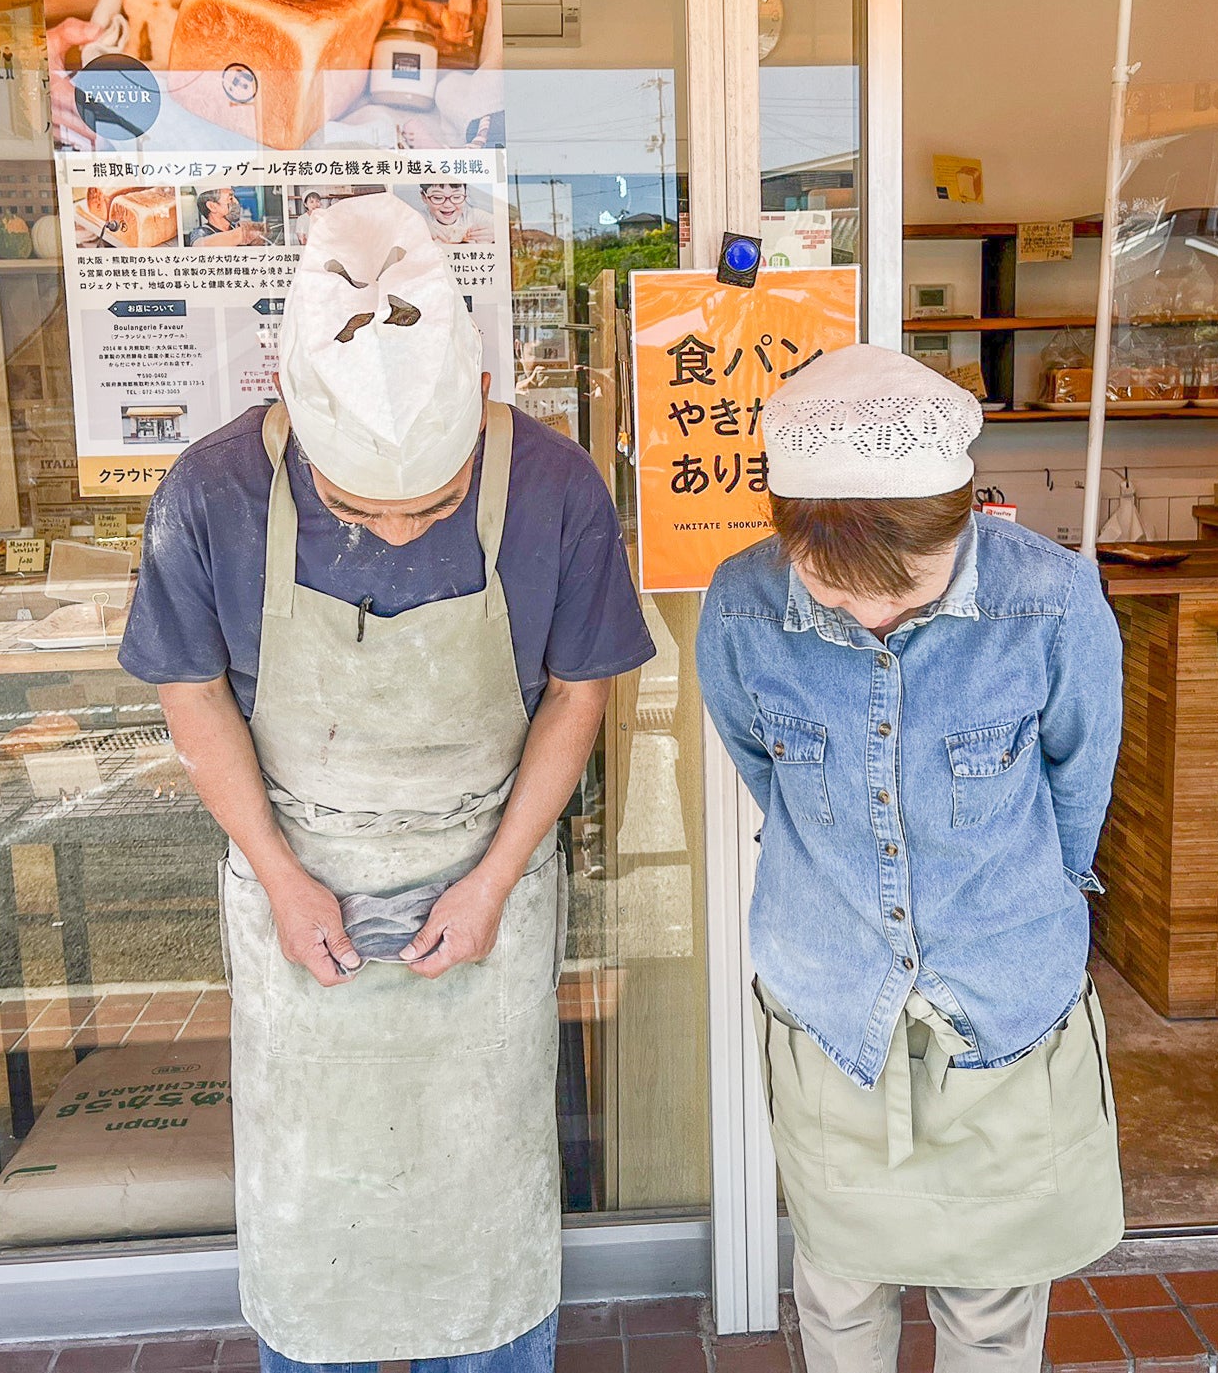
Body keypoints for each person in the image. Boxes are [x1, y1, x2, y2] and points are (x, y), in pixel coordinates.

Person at [120, 192, 654, 1370]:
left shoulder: (557, 486)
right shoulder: (209, 492)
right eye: (359, 506)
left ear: (477, 394)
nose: (402, 531)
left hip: (487, 877)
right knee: (315, 1212)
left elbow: (578, 694)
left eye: (438, 500)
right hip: (297, 877)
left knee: (484, 1205)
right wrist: (280, 877)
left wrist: (493, 880)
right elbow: (191, 693)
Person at [697, 344, 1126, 1373]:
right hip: (830, 997)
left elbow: (1077, 790)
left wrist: (1014, 903)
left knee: (991, 1299)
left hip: (1002, 1004)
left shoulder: (1052, 600)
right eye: (832, 590)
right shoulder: (743, 605)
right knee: (840, 1285)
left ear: (962, 520)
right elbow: (764, 767)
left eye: (905, 588)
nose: (869, 616)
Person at [187, 186, 267, 248]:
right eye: (230, 198)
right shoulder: (200, 232)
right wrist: (245, 233)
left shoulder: (235, 227)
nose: (236, 202)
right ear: (212, 206)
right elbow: (199, 246)